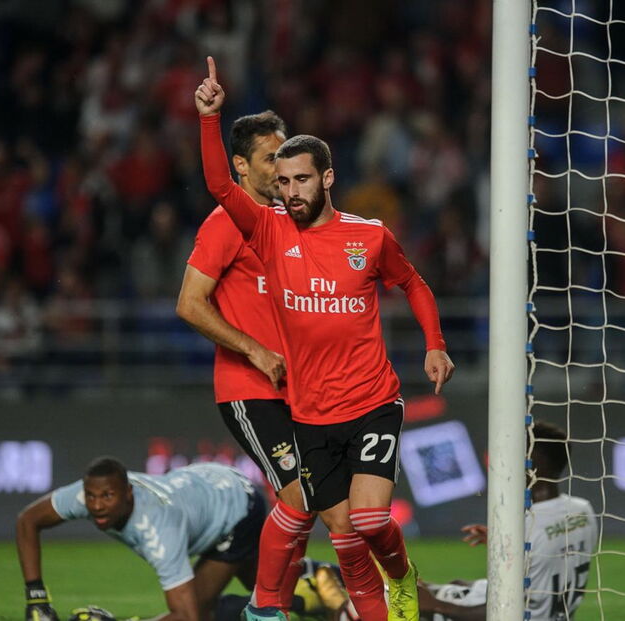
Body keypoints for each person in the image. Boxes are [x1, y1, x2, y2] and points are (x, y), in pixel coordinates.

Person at [194, 56, 455, 621]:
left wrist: (434, 343)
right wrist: (209, 118)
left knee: (366, 522)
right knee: (343, 536)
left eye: (301, 179)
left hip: (370, 402)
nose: (290, 190)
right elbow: (219, 183)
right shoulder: (265, 230)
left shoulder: (368, 235)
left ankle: (403, 577)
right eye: (282, 181)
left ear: (327, 178)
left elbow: (412, 282)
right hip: (309, 414)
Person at [175, 109, 315, 617]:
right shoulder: (224, 223)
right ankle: (266, 607)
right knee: (299, 495)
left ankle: (271, 599)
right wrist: (253, 348)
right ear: (240, 166)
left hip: (299, 386)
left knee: (312, 502)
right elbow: (189, 303)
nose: (280, 167)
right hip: (249, 387)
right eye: (270, 157)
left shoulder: (287, 222)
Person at [16, 456, 267, 621]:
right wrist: (36, 597)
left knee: (200, 612)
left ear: (128, 493)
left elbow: (186, 617)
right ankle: (301, 583)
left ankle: (279, 598)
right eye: (91, 496)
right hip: (204, 485)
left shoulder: (157, 530)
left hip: (237, 505)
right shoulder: (83, 496)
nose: (97, 505)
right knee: (262, 583)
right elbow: (27, 521)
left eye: (107, 496)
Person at [417, 421, 598, 621]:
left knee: (401, 601)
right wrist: (509, 544)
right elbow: (553, 553)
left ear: (534, 465)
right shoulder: (582, 510)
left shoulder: (528, 526)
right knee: (457, 584)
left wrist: (436, 606)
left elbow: (503, 615)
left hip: (523, 616)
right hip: (556, 614)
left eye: (512, 454)